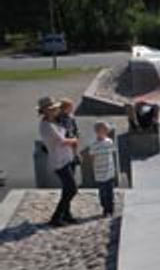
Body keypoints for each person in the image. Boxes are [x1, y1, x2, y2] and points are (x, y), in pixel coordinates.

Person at [38, 96, 80, 227]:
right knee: (72, 189)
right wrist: (74, 141)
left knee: (67, 188)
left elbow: (70, 131)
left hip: (67, 158)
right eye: (53, 109)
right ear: (45, 111)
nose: (56, 110)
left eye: (55, 108)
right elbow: (62, 141)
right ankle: (56, 216)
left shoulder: (55, 122)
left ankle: (66, 214)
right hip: (59, 161)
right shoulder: (47, 125)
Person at [89, 121, 116, 217]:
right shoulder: (94, 144)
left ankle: (110, 209)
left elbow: (112, 154)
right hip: (99, 172)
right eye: (101, 130)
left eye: (105, 130)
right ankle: (105, 208)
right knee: (102, 192)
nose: (104, 132)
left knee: (110, 191)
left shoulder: (109, 142)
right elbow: (92, 157)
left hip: (109, 170)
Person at [56, 97, 81, 166]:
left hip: (71, 134)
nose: (71, 109)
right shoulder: (59, 117)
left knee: (74, 144)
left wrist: (77, 132)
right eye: (70, 108)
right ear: (64, 108)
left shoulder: (71, 117)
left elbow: (75, 125)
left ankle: (75, 156)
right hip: (64, 136)